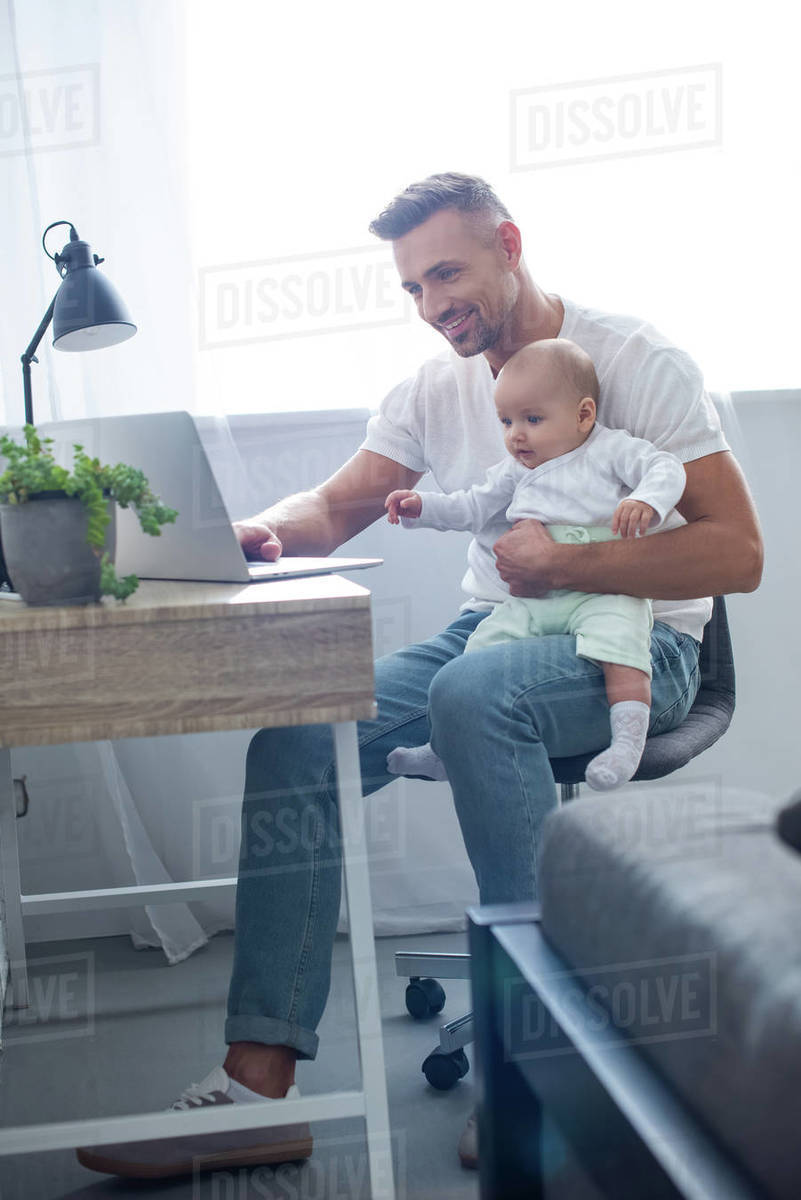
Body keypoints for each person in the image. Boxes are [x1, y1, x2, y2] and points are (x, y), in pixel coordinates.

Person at [75, 173, 763, 1179]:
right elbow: (338, 503)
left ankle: (530, 1069)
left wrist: (570, 563)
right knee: (303, 729)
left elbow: (738, 553)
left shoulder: (633, 360)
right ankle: (254, 1090)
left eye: (448, 271)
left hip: (634, 642)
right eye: (412, 287)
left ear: (509, 245)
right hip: (495, 629)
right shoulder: (437, 387)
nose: (435, 303)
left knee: (471, 696)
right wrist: (255, 532)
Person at [384, 337, 687, 791]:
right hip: (537, 597)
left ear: (584, 415)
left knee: (620, 649)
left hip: (601, 586)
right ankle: (444, 750)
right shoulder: (516, 469)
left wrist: (647, 499)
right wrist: (421, 507)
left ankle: (627, 743)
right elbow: (471, 506)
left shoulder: (610, 449)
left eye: (532, 419)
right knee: (480, 650)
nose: (515, 435)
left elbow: (666, 468)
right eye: (506, 421)